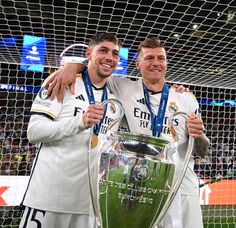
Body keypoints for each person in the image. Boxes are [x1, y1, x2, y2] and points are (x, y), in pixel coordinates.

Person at [45, 37, 210, 228]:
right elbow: (97, 70)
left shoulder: (186, 98)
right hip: (141, 190)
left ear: (166, 63)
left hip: (182, 188)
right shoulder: (123, 88)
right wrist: (72, 67)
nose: (156, 63)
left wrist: (199, 136)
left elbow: (203, 151)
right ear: (137, 64)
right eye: (149, 58)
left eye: (161, 58)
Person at [19, 32, 122, 228]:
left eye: (115, 53)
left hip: (89, 206)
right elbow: (34, 132)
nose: (110, 57)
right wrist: (80, 122)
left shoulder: (116, 98)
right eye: (103, 51)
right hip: (48, 200)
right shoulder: (62, 81)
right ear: (88, 53)